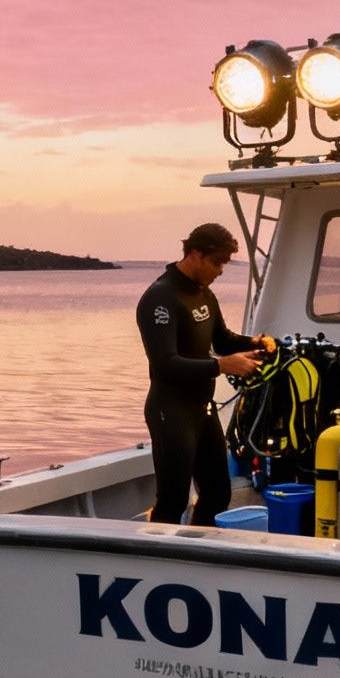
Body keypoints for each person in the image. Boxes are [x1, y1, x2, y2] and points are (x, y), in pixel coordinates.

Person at [135, 222, 269, 526]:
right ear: (196, 254)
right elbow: (166, 363)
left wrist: (258, 345)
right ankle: (163, 561)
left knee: (218, 493)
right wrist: (221, 366)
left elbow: (222, 340)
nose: (221, 270)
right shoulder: (161, 298)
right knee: (172, 500)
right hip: (170, 410)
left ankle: (198, 553)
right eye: (217, 261)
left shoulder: (204, 295)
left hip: (202, 411)